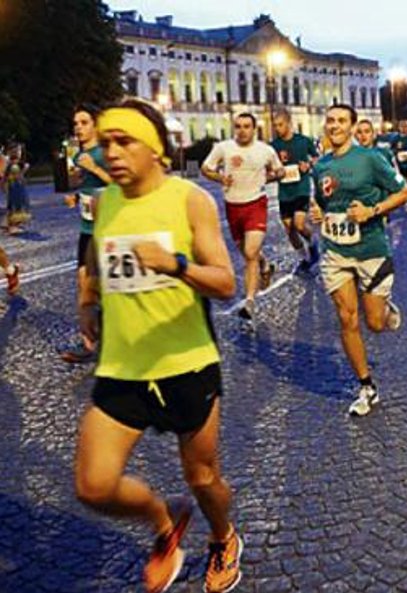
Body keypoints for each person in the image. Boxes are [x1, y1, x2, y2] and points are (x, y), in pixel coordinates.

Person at [73, 98, 241, 593]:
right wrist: (87, 300)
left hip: (185, 362)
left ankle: (223, 537)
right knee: (93, 485)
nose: (112, 152)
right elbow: (95, 260)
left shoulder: (189, 200)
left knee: (203, 479)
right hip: (123, 367)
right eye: (106, 143)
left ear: (154, 149)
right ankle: (163, 521)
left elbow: (225, 282)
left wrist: (175, 265)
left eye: (123, 141)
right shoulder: (104, 203)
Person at [310, 105, 407, 417]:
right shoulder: (321, 165)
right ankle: (366, 386)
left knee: (375, 323)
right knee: (346, 318)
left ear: (353, 127)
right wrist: (318, 212)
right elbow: (324, 201)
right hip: (335, 251)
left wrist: (372, 211)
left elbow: (404, 192)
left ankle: (385, 307)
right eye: (330, 120)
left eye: (342, 121)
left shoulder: (371, 159)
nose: (334, 126)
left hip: (370, 249)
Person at [201, 112, 283, 322]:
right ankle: (264, 265)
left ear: (254, 129)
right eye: (238, 126)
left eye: (247, 126)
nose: (242, 130)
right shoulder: (223, 148)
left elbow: (279, 170)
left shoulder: (265, 150)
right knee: (247, 253)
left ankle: (249, 302)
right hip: (233, 206)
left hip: (256, 203)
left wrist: (274, 175)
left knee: (250, 251)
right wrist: (221, 178)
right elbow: (205, 168)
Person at [62, 104, 112, 363]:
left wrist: (94, 167)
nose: (78, 128)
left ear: (95, 125)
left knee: (108, 287)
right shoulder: (79, 154)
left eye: (83, 122)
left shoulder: (104, 153)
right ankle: (90, 345)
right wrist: (75, 196)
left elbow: (120, 184)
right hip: (87, 228)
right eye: (75, 123)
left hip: (108, 229)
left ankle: (113, 338)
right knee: (84, 285)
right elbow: (87, 187)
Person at [271, 109, 319, 274]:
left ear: (289, 123)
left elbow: (316, 158)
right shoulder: (274, 146)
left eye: (280, 125)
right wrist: (275, 173)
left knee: (299, 225)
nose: (277, 128)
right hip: (284, 191)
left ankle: (313, 245)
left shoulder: (304, 141)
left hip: (301, 189)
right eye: (275, 125)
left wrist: (309, 165)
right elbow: (269, 169)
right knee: (289, 228)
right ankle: (304, 259)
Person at [3, 144, 30, 234]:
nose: (19, 152)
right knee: (13, 205)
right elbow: (5, 176)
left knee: (20, 204)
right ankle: (11, 226)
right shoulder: (10, 163)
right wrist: (4, 186)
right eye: (16, 150)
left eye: (19, 150)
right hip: (12, 186)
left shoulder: (19, 163)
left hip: (20, 186)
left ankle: (16, 224)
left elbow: (21, 176)